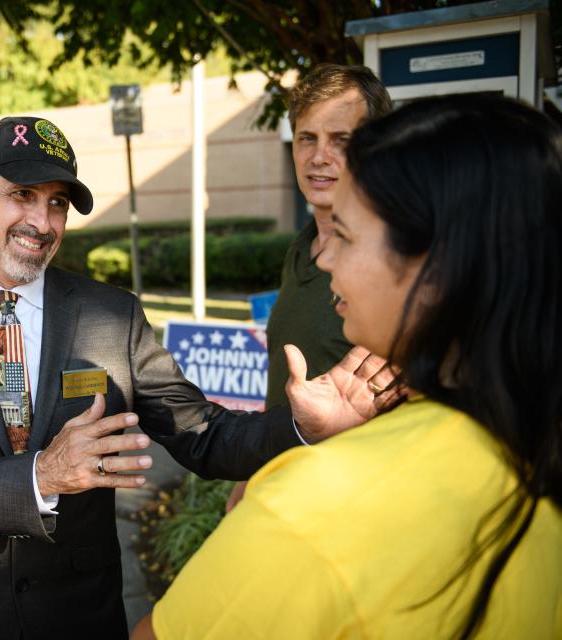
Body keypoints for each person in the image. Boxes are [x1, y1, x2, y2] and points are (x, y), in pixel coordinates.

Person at [0, 116, 396, 638]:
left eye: (57, 203)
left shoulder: (112, 314)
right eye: (22, 195)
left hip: (80, 616)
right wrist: (42, 476)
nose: (43, 223)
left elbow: (202, 434)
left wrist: (302, 427)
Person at [134, 94, 562, 639]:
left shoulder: (311, 509)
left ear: (437, 272)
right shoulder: (529, 446)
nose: (327, 256)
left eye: (348, 236)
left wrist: (315, 479)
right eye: (307, 138)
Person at [226, 64, 394, 511]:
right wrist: (250, 475)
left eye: (341, 140)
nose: (320, 157)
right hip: (282, 494)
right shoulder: (300, 248)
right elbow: (287, 383)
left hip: (351, 509)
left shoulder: (397, 263)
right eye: (307, 138)